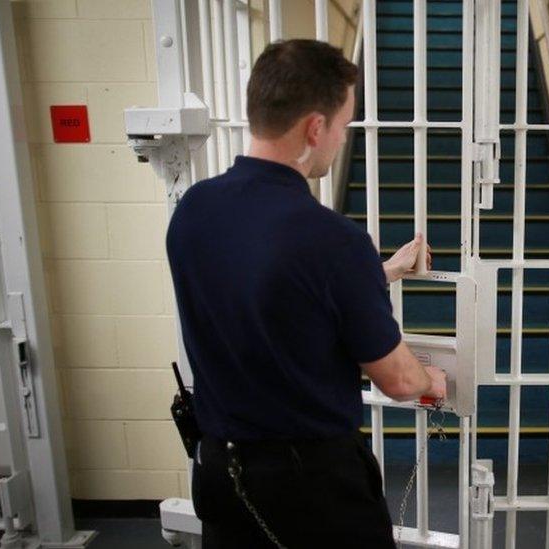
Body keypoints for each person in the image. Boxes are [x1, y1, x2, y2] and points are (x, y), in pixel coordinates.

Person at [165, 39, 445, 548]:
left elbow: (265, 291)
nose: (341, 138)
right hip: (312, 488)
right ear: (315, 128)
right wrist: (436, 379)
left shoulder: (193, 212)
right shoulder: (333, 241)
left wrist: (382, 273)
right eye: (343, 125)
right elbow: (401, 382)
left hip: (221, 474)